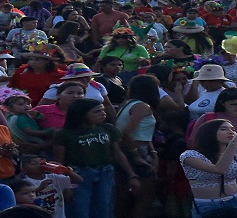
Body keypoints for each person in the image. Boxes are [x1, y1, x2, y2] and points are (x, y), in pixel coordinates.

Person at [52, 98, 138, 218]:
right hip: (78, 174)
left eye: (102, 110)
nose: (103, 114)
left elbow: (118, 154)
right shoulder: (64, 134)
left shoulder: (108, 129)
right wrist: (64, 186)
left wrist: (131, 175)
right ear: (82, 114)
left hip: (105, 172)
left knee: (104, 210)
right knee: (79, 211)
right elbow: (59, 161)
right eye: (96, 111)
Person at [180, 119, 237, 218]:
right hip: (207, 205)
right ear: (209, 133)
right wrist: (234, 142)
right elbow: (219, 169)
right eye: (223, 129)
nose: (231, 132)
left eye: (233, 129)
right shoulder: (190, 155)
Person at [113, 74, 161, 218]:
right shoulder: (142, 106)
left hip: (128, 149)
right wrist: (136, 155)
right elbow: (127, 132)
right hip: (135, 150)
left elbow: (144, 132)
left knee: (124, 197)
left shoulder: (128, 103)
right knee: (144, 197)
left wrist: (153, 152)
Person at [18, 154, 83, 218]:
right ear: (23, 169)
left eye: (41, 162)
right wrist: (40, 188)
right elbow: (23, 199)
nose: (39, 165)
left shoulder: (54, 177)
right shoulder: (25, 182)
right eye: (33, 164)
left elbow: (79, 180)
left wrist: (67, 171)